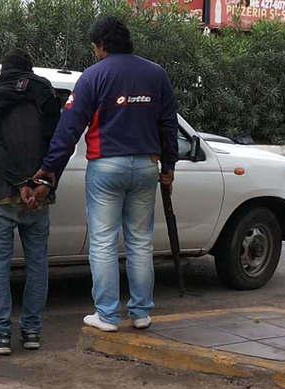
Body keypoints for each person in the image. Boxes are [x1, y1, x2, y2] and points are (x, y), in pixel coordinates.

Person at [35, 17, 178, 332]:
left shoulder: (93, 76)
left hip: (106, 166)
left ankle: (108, 315)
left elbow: (69, 127)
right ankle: (141, 313)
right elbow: (168, 124)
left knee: (103, 241)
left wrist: (50, 170)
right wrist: (168, 167)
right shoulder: (156, 75)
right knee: (140, 241)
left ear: (100, 46)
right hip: (145, 166)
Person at [0, 49, 60, 355]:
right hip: (40, 197)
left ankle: (0, 336)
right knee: (37, 265)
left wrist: (20, 184)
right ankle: (32, 332)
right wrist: (38, 184)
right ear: (29, 71)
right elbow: (55, 144)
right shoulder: (43, 98)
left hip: (2, 196)